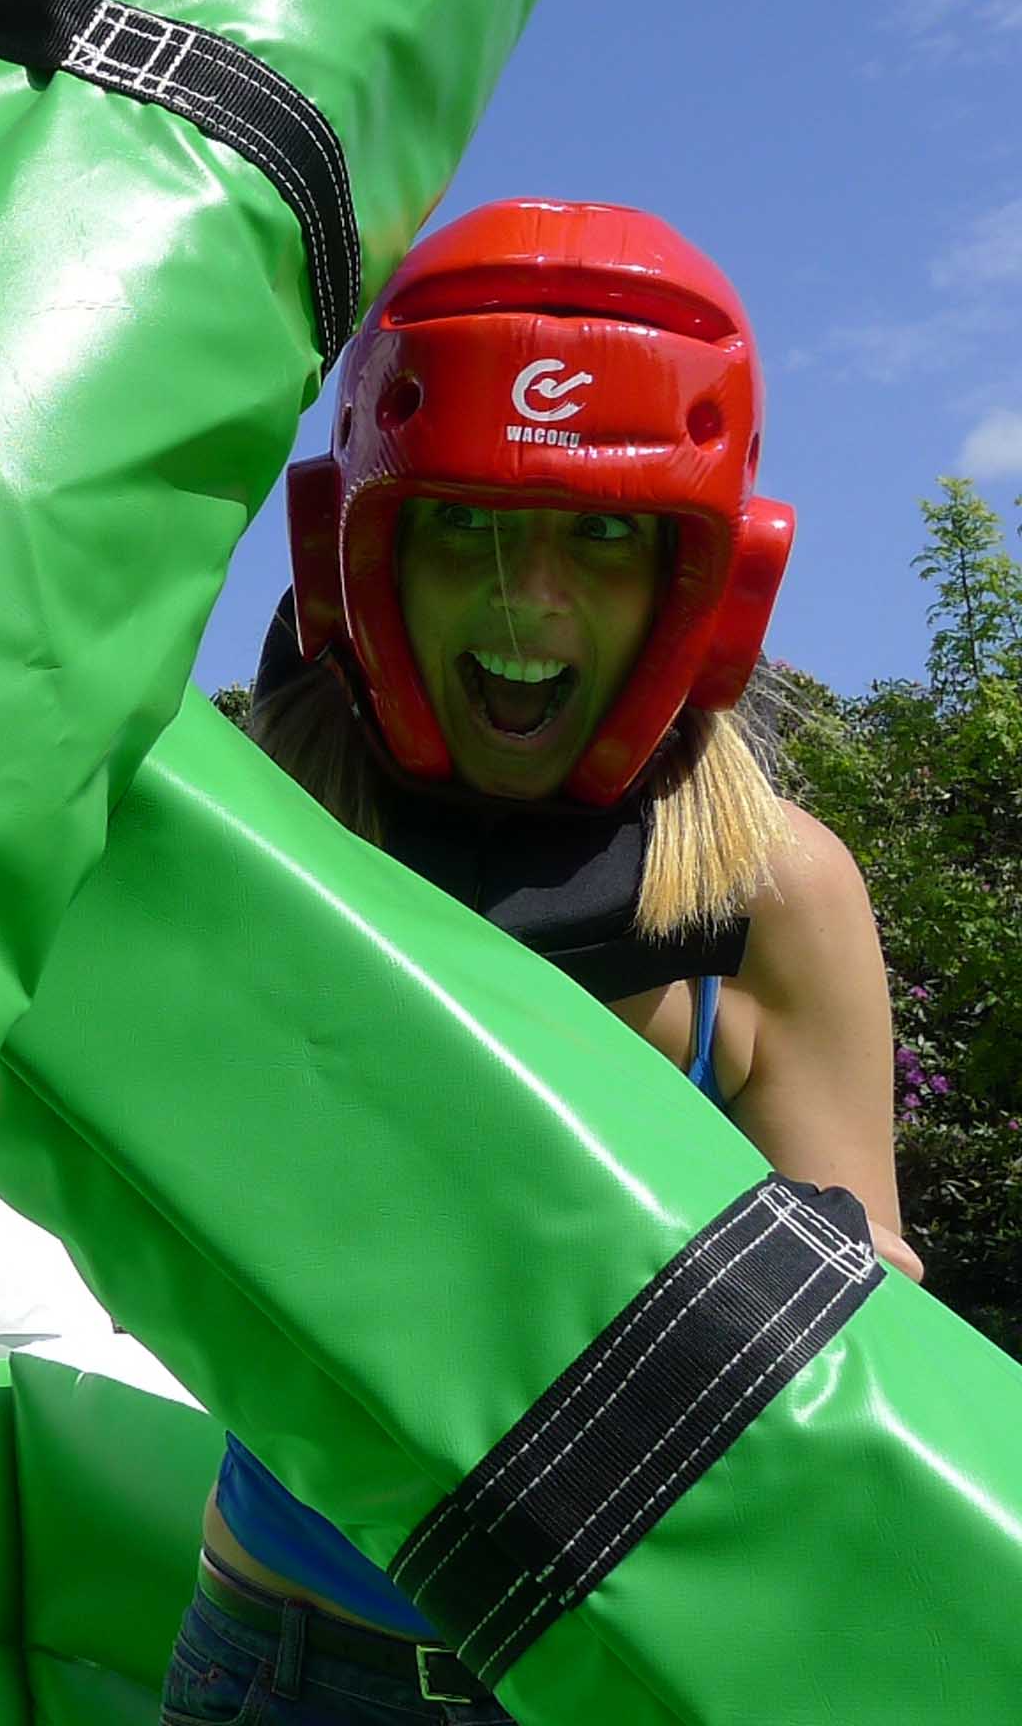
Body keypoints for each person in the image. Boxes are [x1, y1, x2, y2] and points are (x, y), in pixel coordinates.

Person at [159, 198, 919, 1726]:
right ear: (365, 549)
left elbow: (871, 1347)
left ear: (698, 581)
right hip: (288, 1660)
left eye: (603, 532)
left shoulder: (777, 894)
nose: (531, 602)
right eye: (467, 525)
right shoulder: (259, 837)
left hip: (617, 1683)